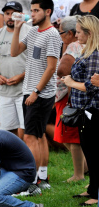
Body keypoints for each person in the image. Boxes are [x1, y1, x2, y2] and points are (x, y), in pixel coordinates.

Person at [11, 0, 62, 190]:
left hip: (39, 93)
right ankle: (42, 178)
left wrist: (35, 92)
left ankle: (31, 184)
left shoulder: (53, 35)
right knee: (39, 136)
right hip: (31, 91)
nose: (31, 14)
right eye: (31, 10)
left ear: (47, 11)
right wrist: (17, 29)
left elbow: (51, 68)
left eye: (36, 11)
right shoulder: (33, 31)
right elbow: (14, 51)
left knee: (30, 137)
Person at [62, 15, 99, 207]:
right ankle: (93, 188)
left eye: (78, 31)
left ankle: (96, 193)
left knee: (93, 151)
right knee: (88, 148)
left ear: (89, 33)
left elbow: (92, 86)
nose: (75, 35)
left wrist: (70, 83)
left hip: (92, 109)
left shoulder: (95, 54)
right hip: (85, 110)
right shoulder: (89, 51)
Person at [0, 1, 31, 139]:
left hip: (25, 90)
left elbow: (37, 63)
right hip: (5, 91)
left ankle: (27, 159)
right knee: (7, 131)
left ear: (21, 15)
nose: (10, 17)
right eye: (7, 13)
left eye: (14, 14)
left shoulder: (30, 32)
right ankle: (13, 158)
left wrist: (21, 76)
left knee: (25, 131)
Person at [54, 16, 87, 183]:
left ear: (70, 33)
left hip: (69, 98)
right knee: (69, 136)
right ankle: (86, 167)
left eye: (61, 33)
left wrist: (70, 99)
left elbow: (64, 70)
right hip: (77, 97)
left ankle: (79, 174)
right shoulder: (86, 45)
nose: (60, 36)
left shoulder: (73, 46)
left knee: (71, 137)